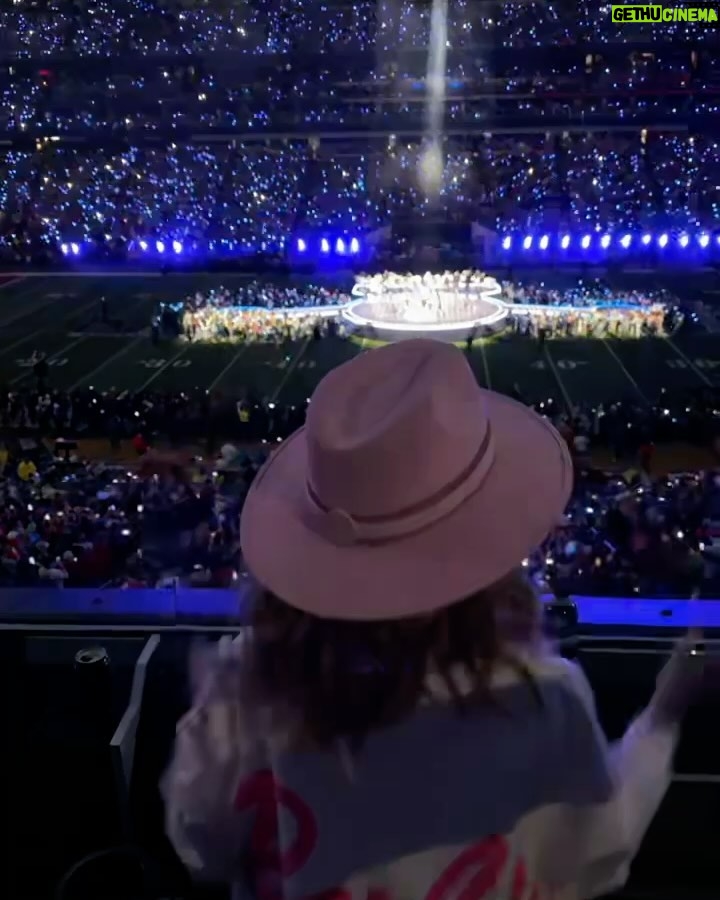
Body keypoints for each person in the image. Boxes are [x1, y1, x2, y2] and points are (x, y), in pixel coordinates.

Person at [162, 339, 704, 900]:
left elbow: (200, 844)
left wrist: (207, 719)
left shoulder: (247, 686)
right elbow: (595, 859)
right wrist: (662, 717)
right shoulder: (544, 697)